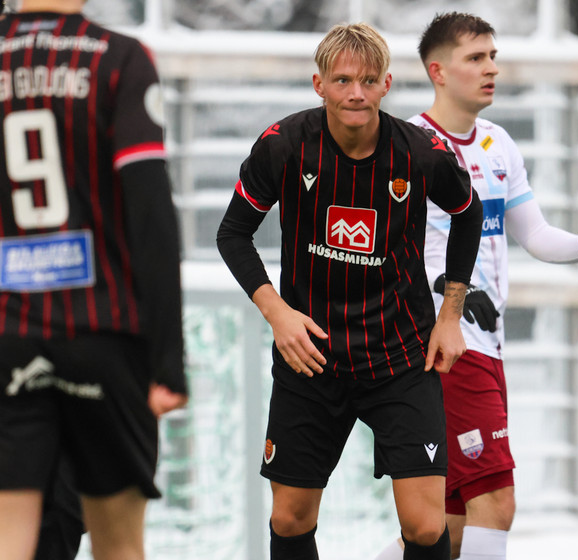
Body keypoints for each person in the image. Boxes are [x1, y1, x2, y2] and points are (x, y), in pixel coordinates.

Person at [217, 22, 483, 560]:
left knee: (425, 525)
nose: (356, 93)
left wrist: (450, 315)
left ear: (387, 84)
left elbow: (468, 212)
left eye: (368, 80)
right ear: (319, 84)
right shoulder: (283, 145)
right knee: (290, 518)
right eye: (342, 80)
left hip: (400, 357)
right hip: (311, 357)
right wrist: (278, 314)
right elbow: (232, 234)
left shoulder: (421, 152)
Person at [374, 12, 578, 560]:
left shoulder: (498, 143)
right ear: (438, 71)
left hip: (487, 346)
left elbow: (533, 234)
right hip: (445, 347)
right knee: (495, 501)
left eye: (493, 56)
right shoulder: (410, 147)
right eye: (475, 58)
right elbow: (387, 251)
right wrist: (453, 290)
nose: (491, 68)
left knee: (446, 523)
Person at [0, 1, 188, 559]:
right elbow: (151, 213)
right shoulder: (118, 58)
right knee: (119, 545)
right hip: (102, 331)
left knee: (9, 538)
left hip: (9, 331)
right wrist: (168, 359)